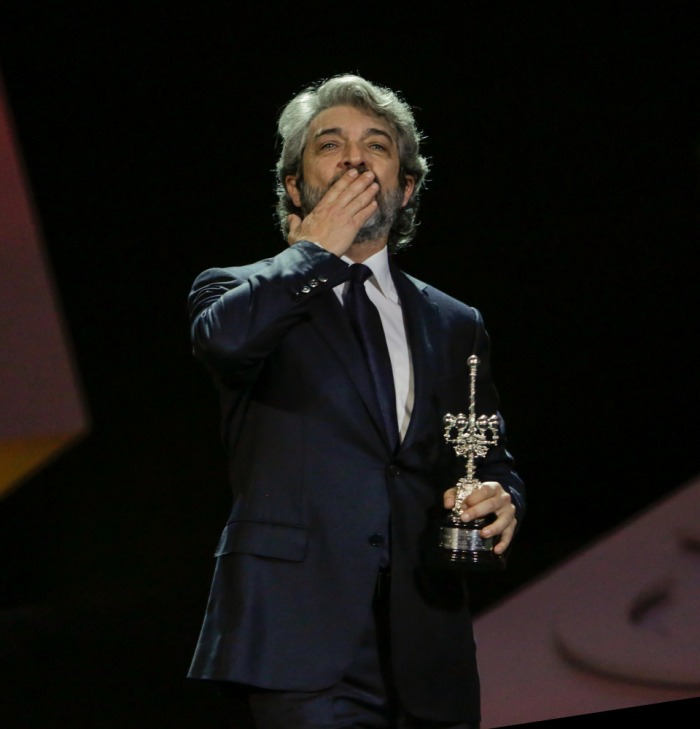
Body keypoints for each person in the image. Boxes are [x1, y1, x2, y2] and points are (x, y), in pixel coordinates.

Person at [187, 74, 525, 729]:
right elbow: (225, 342)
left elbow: (484, 454)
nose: (354, 160)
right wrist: (316, 250)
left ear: (406, 187)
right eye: (329, 145)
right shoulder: (237, 291)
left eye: (377, 145)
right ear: (294, 186)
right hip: (298, 638)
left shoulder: (455, 323)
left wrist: (502, 496)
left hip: (428, 639)